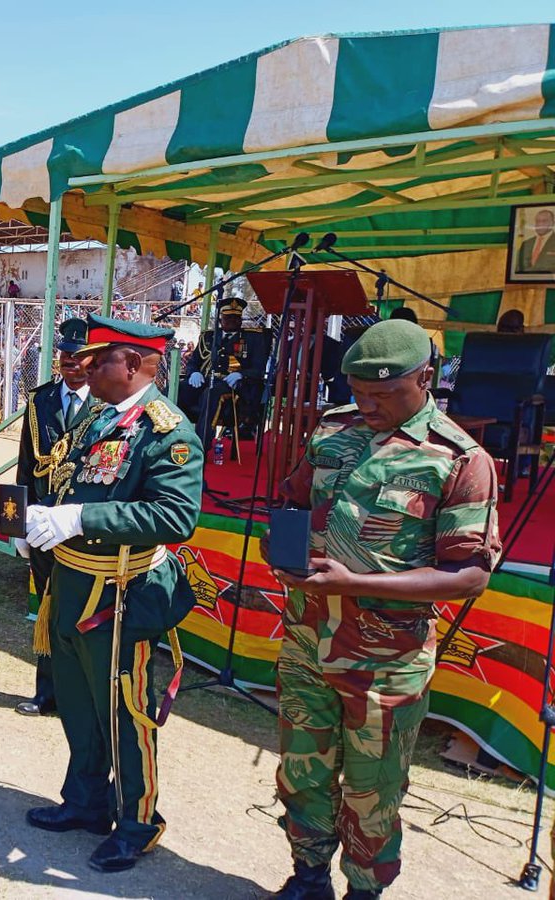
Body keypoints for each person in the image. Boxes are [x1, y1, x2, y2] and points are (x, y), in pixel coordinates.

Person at [266, 319, 500, 900]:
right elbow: (291, 502)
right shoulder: (333, 430)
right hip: (305, 642)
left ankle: (365, 890)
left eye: (383, 394)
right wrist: (282, 549)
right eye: (358, 392)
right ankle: (308, 876)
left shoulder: (459, 459)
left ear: (426, 377)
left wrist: (355, 581)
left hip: (385, 659)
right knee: (303, 774)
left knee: (374, 791)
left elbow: (469, 574)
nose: (366, 405)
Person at [22, 313, 203, 873]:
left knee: (125, 713)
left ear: (131, 364)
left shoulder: (167, 430)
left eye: (99, 360)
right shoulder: (99, 418)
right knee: (77, 705)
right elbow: (64, 478)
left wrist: (83, 515)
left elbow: (176, 516)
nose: (86, 367)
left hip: (119, 593)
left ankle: (136, 822)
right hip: (72, 583)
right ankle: (85, 802)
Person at [13, 318, 92, 716]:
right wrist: (16, 526)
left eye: (78, 356)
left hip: (82, 529)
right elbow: (26, 467)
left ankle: (81, 696)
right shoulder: (39, 401)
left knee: (81, 614)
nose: (69, 363)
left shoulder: (105, 406)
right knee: (47, 608)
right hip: (43, 526)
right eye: (64, 355)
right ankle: (47, 694)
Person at [182, 297, 268, 439]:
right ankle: (173, 438)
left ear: (241, 320)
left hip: (232, 385)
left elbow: (258, 368)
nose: (231, 321)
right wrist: (194, 373)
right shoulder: (209, 337)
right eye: (227, 318)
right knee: (178, 390)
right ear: (220, 319)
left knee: (210, 394)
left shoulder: (253, 339)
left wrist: (241, 374)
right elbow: (193, 362)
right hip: (205, 380)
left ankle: (201, 443)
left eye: (235, 318)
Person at [515, 208, 555, 274]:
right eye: (537, 221)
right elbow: (517, 270)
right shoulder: (526, 244)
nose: (540, 224)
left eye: (544, 221)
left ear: (553, 223)